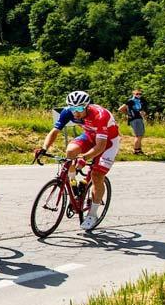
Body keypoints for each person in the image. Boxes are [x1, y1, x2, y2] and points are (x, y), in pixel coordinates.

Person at [35, 90, 119, 230]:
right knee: (70, 152)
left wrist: (84, 157)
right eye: (73, 108)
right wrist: (44, 148)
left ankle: (92, 214)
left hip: (108, 142)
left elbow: (100, 146)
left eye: (79, 109)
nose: (76, 112)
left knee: (97, 175)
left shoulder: (100, 115)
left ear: (87, 106)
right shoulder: (68, 112)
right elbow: (54, 131)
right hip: (89, 136)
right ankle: (73, 183)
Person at [117, 88, 147, 154]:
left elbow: (138, 110)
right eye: (137, 94)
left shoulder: (138, 101)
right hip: (134, 119)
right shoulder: (131, 101)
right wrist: (128, 114)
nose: (139, 95)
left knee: (140, 135)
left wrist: (142, 113)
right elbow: (120, 109)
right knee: (138, 135)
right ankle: (136, 150)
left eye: (140, 94)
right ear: (133, 94)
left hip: (138, 118)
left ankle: (139, 150)